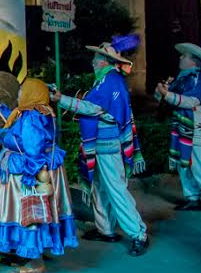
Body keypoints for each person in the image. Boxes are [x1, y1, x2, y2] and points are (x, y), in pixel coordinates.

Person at [52, 42, 149, 257]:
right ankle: (105, 229)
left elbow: (92, 108)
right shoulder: (107, 80)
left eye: (95, 58)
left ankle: (138, 234)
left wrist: (61, 99)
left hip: (108, 147)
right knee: (100, 188)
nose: (92, 61)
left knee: (116, 190)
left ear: (104, 62)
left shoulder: (110, 81)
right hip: (102, 146)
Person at [0, 79, 77, 273]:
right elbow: (19, 125)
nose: (19, 94)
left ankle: (35, 261)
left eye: (22, 91)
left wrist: (30, 176)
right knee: (38, 212)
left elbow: (33, 148)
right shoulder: (40, 112)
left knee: (31, 213)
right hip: (40, 166)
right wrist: (1, 109)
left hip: (30, 170)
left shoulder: (32, 117)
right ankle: (34, 251)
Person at [155, 43, 201, 218]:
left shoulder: (199, 80)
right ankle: (193, 198)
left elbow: (189, 101)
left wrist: (166, 93)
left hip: (198, 130)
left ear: (193, 61)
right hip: (185, 128)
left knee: (200, 165)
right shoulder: (183, 78)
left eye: (184, 56)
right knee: (184, 164)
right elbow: (163, 98)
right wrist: (162, 90)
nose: (180, 57)